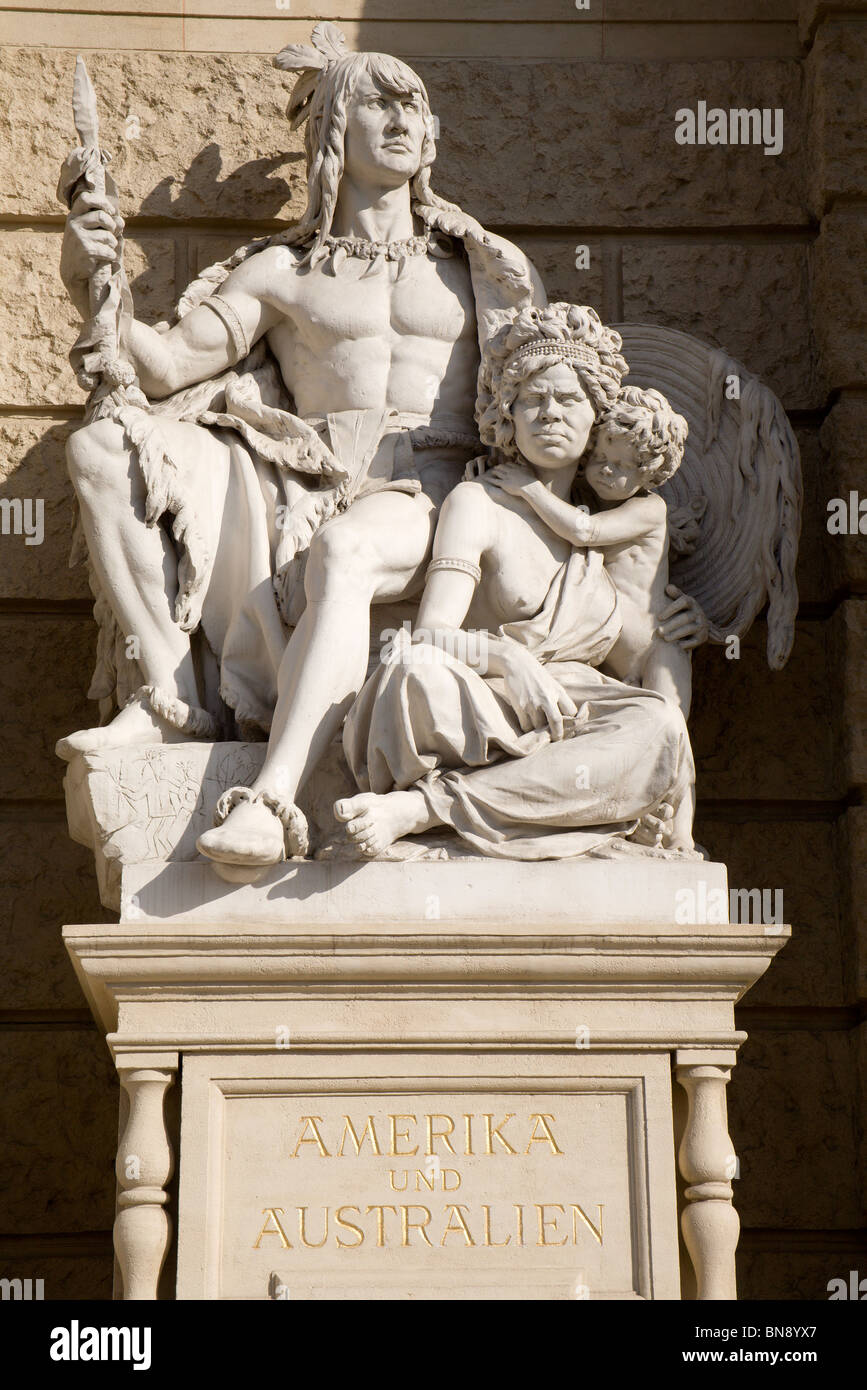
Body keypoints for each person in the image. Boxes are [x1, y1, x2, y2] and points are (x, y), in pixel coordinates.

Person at [55, 27, 546, 871]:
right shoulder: (282, 272)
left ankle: (272, 801)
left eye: (413, 105)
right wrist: (89, 285)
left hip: (440, 491)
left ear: (430, 138)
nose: (402, 120)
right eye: (377, 102)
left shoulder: (482, 269)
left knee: (347, 551)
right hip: (302, 477)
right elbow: (171, 363)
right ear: (331, 132)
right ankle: (174, 695)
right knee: (102, 448)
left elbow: (551, 390)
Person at [336, 304, 698, 859]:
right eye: (532, 399)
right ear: (508, 415)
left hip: (575, 712)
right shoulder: (478, 501)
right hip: (485, 698)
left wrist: (680, 626)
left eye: (569, 398)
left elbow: (633, 667)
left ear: (598, 415)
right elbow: (431, 634)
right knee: (412, 673)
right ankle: (529, 802)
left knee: (657, 727)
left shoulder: (613, 528)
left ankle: (425, 808)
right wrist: (511, 661)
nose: (549, 413)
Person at [486, 383, 695, 713]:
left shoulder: (649, 509)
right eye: (599, 457)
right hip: (597, 651)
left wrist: (529, 489)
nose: (607, 470)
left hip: (655, 647)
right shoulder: (582, 499)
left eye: (622, 465)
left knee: (667, 724)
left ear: (650, 474)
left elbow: (586, 531)